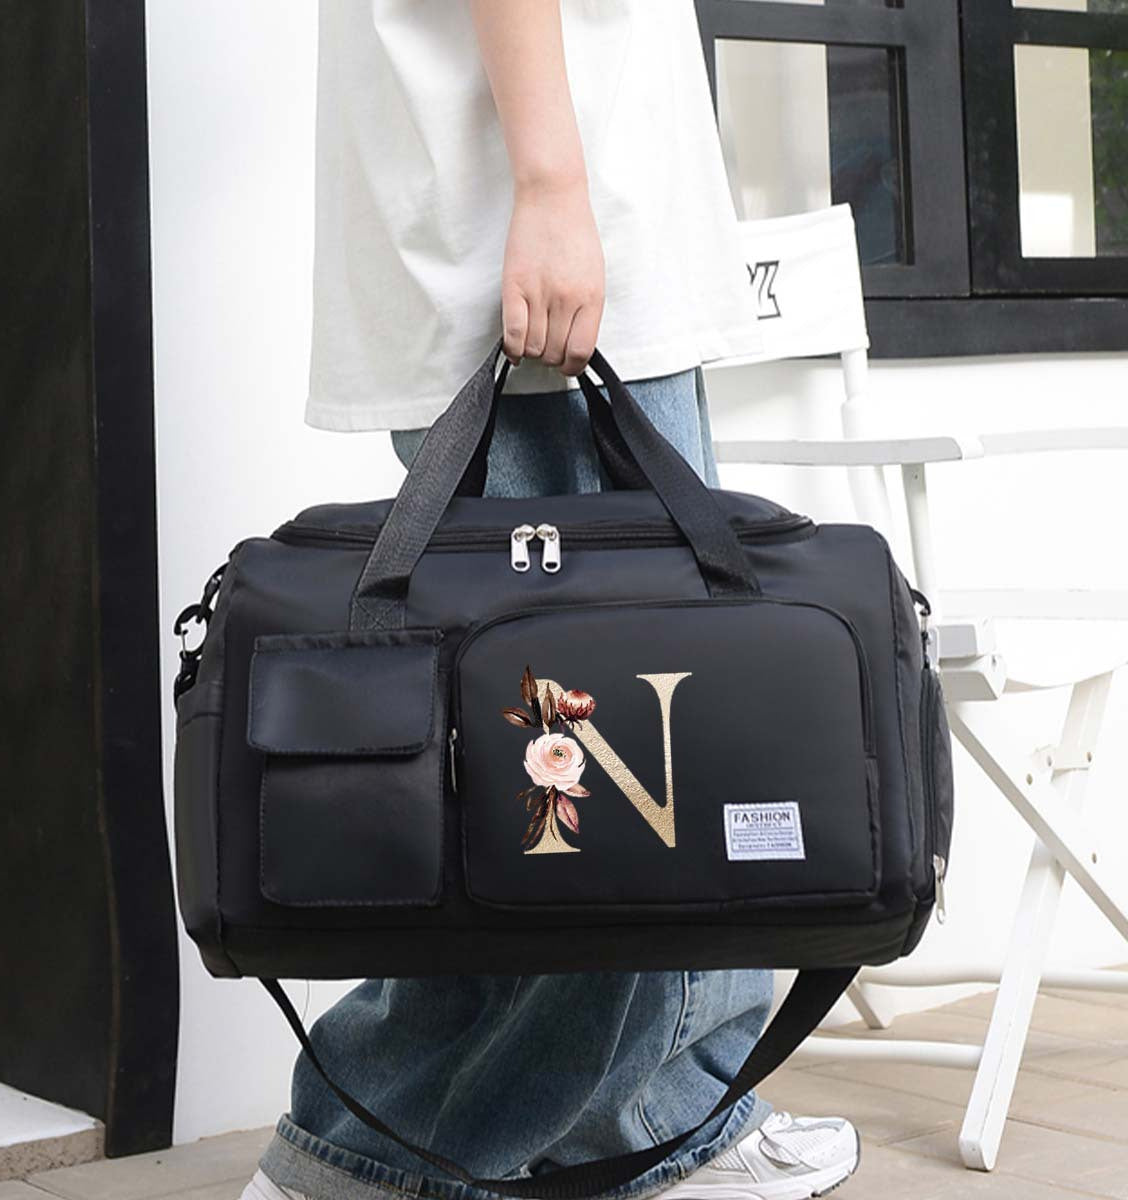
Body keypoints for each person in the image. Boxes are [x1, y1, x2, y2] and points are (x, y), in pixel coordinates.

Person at [244, 4, 861, 1199]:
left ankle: (660, 1118)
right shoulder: (553, 198)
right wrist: (552, 185)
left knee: (570, 778)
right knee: (606, 793)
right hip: (550, 235)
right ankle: (390, 1151)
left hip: (545, 224)